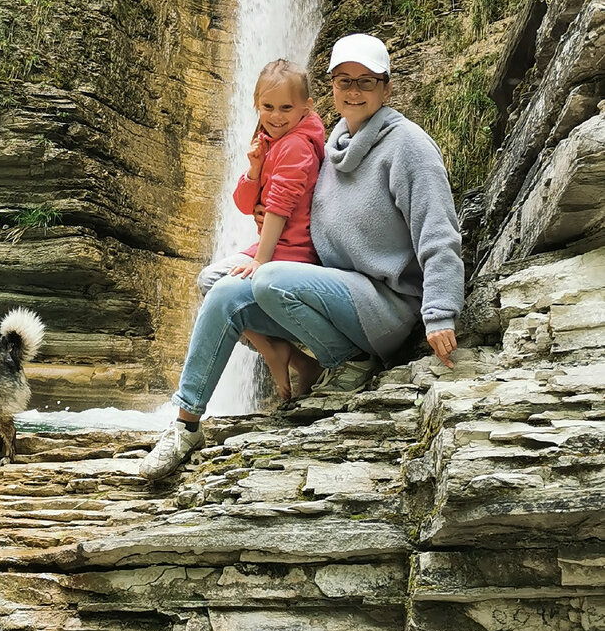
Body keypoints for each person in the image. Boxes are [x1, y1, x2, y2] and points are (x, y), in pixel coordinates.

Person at [140, 33, 464, 483]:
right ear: (330, 88)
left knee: (267, 277)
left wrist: (441, 312)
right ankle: (185, 424)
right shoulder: (329, 148)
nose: (353, 90)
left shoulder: (407, 146)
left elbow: (439, 230)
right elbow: (294, 208)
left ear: (387, 89)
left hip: (387, 306)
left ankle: (347, 360)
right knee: (224, 289)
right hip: (332, 294)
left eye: (366, 81)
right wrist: (257, 186)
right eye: (343, 80)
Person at [195, 58, 325, 402]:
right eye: (268, 107)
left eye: (286, 107)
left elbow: (279, 207)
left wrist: (260, 260)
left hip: (290, 253)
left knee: (211, 283)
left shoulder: (296, 145)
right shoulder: (271, 143)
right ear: (256, 105)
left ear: (306, 107)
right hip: (272, 248)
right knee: (211, 283)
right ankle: (290, 358)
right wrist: (254, 169)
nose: (276, 115)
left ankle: (276, 353)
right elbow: (243, 204)